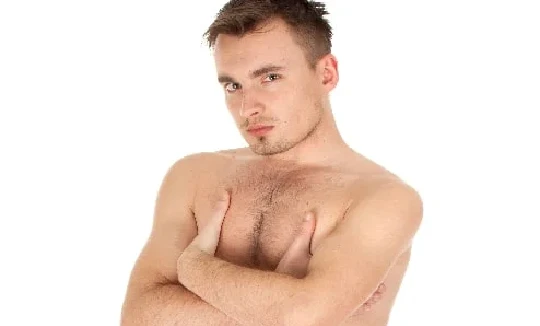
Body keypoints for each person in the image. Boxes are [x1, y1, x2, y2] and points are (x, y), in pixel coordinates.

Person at [120, 1, 423, 325]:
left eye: (270, 77)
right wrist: (276, 307)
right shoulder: (193, 176)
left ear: (327, 73)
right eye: (233, 85)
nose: (247, 107)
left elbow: (301, 316)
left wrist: (193, 266)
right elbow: (139, 316)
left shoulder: (382, 199)